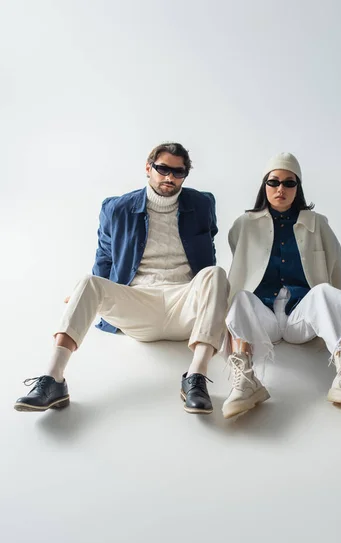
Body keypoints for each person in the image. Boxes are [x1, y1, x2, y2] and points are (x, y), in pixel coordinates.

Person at [15, 142, 229, 415]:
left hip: (185, 304)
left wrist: (216, 298)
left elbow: (208, 256)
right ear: (148, 167)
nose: (169, 177)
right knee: (88, 281)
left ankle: (195, 378)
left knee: (216, 273)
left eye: (178, 172)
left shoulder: (201, 204)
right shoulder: (117, 208)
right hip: (138, 304)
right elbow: (104, 258)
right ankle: (53, 379)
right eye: (163, 169)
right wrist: (86, 295)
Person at [222, 152, 341, 419]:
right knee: (240, 297)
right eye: (274, 182)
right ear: (264, 186)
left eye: (289, 183)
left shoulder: (317, 223)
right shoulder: (244, 224)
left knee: (325, 291)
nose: (281, 189)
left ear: (298, 188)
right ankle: (245, 381)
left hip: (302, 315)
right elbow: (238, 263)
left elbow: (337, 267)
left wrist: (336, 309)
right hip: (262, 318)